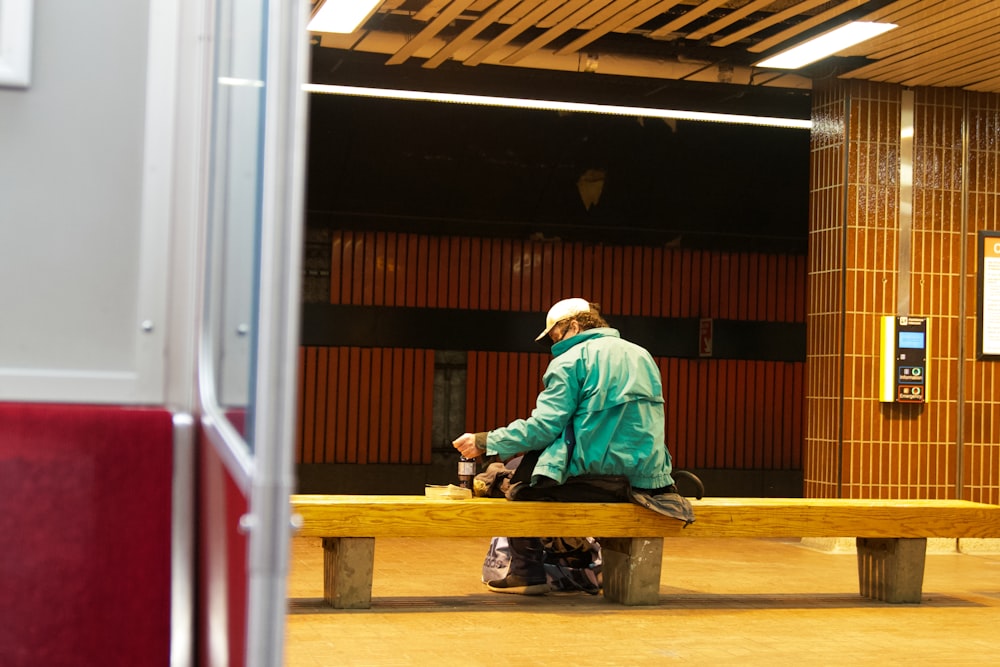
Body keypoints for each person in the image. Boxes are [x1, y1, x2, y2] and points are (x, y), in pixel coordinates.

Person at [452, 297, 677, 595]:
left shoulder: (570, 361)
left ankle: (527, 572)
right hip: (645, 480)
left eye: (557, 336)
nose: (556, 345)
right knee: (521, 470)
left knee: (516, 482)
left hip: (590, 477)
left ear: (574, 325)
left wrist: (485, 441)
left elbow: (543, 428)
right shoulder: (641, 356)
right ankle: (599, 569)